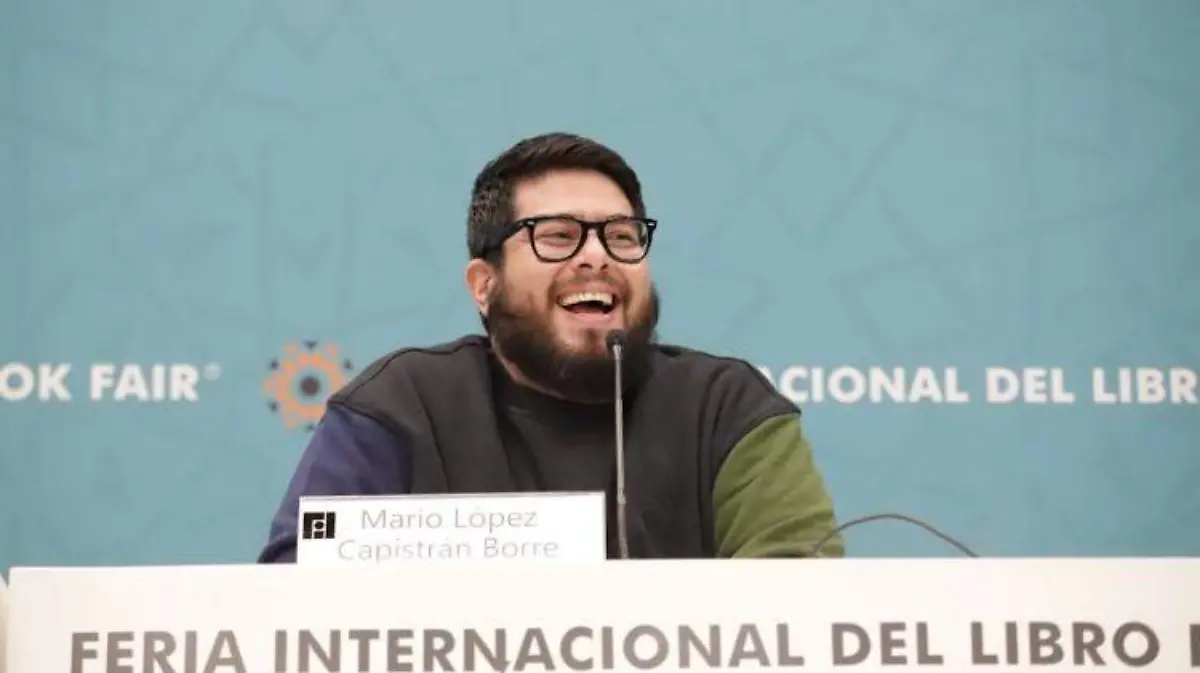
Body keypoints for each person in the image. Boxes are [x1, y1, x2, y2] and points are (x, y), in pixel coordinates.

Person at [258, 132, 844, 561]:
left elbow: (801, 610)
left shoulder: (726, 410)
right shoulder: (401, 406)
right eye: (558, 236)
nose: (597, 256)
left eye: (621, 236)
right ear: (483, 285)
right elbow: (293, 603)